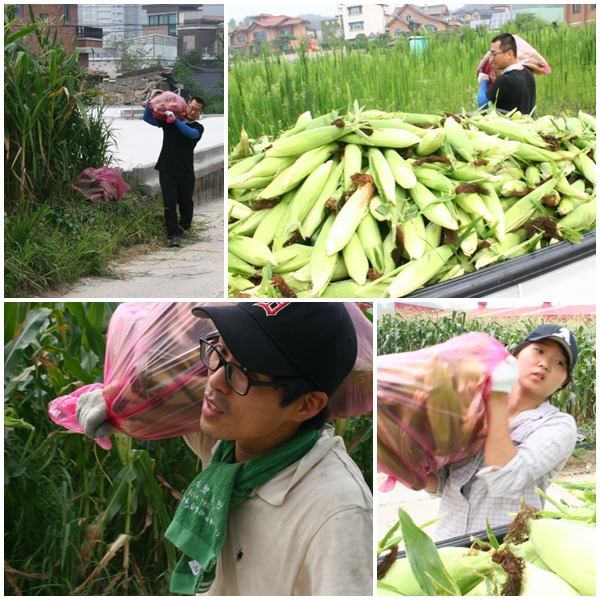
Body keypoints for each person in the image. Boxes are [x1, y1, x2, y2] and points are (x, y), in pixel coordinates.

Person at [76, 302, 373, 596]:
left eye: (244, 371)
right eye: (221, 351)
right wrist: (116, 405)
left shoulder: (337, 513)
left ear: (307, 404)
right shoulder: (230, 444)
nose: (214, 381)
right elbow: (156, 392)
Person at [425, 324, 579, 542]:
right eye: (539, 351)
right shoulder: (473, 407)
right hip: (447, 543)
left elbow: (504, 479)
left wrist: (495, 399)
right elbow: (444, 483)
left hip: (504, 554)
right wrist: (409, 470)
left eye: (559, 362)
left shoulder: (558, 425)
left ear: (563, 382)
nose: (545, 364)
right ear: (515, 355)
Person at [143, 91, 205, 247]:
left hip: (185, 172)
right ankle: (173, 235)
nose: (193, 112)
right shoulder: (169, 121)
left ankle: (184, 227)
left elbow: (189, 133)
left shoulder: (198, 127)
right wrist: (150, 102)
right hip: (167, 169)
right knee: (169, 202)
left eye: (197, 110)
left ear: (199, 113)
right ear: (186, 106)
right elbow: (148, 118)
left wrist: (175, 120)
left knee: (186, 204)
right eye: (191, 107)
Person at [477, 33, 536, 115]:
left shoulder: (505, 80)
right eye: (491, 54)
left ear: (509, 54)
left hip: (510, 126)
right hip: (526, 125)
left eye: (494, 54)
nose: (491, 59)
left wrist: (484, 80)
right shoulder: (527, 73)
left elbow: (482, 103)